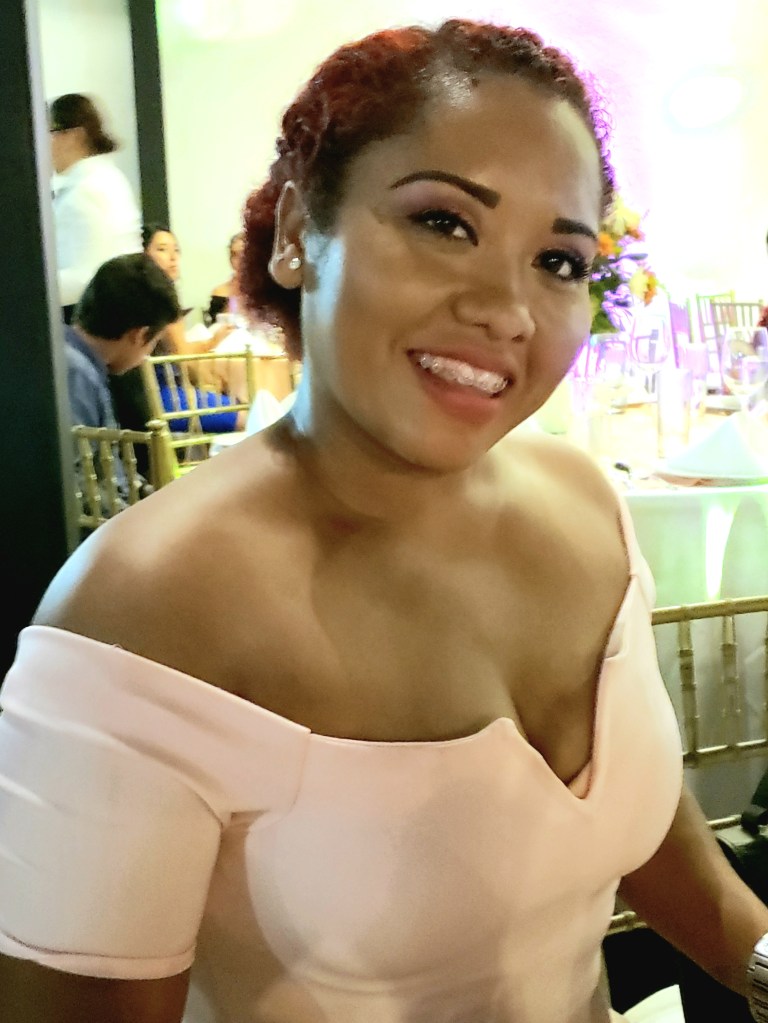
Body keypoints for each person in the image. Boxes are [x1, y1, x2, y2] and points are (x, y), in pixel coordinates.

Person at [1, 19, 767, 1023]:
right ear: (295, 233)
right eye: (445, 222)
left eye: (558, 260)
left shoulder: (584, 506)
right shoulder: (141, 609)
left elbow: (646, 842)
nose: (507, 308)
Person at [64, 253, 181, 516]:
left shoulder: (75, 360)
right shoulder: (76, 373)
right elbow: (77, 484)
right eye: (154, 343)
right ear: (139, 335)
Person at [110, 224, 243, 446]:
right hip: (163, 396)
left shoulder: (142, 296)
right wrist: (214, 340)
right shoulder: (160, 300)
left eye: (176, 250)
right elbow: (183, 356)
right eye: (162, 249)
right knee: (246, 413)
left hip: (147, 396)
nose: (172, 257)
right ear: (143, 255)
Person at [49, 93, 142, 322]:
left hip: (96, 321)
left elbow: (87, 277)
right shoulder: (105, 179)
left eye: (49, 133)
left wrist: (29, 286)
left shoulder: (86, 191)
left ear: (74, 135)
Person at [205, 231, 246, 325]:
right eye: (234, 255)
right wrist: (235, 293)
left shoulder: (265, 292)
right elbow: (216, 327)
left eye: (243, 255)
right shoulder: (220, 292)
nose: (239, 261)